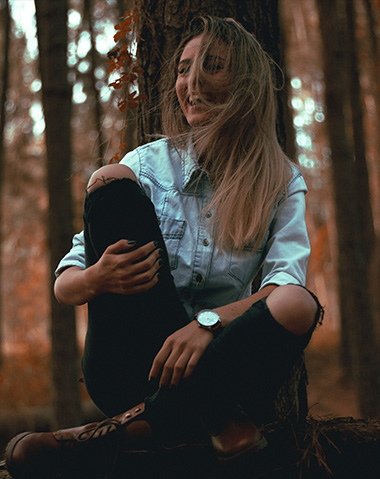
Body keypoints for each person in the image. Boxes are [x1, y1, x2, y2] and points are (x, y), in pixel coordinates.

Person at [5, 15, 323, 478]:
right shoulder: (147, 167)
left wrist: (208, 325)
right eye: (183, 69)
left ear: (245, 82)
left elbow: (284, 285)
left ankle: (127, 430)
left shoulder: (279, 180)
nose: (191, 83)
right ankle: (215, 422)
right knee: (108, 181)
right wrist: (97, 277)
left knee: (298, 303)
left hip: (220, 369)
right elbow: (65, 287)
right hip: (133, 364)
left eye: (211, 66)